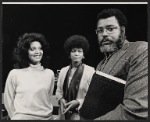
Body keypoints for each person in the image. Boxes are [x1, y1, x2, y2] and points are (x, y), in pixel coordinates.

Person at [85, 8, 148, 120]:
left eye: (110, 29)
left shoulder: (140, 50)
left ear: (122, 30)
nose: (104, 34)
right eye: (100, 30)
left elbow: (136, 110)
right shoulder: (101, 64)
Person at [4, 33, 55, 120]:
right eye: (32, 49)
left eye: (40, 48)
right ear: (25, 52)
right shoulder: (15, 73)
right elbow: (8, 101)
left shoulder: (49, 73)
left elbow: (48, 99)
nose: (38, 52)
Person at [56, 35, 95, 120]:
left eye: (79, 51)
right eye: (73, 51)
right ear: (69, 54)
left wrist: (78, 102)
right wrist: (60, 99)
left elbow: (93, 95)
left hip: (81, 114)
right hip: (64, 113)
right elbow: (58, 91)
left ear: (83, 55)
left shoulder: (90, 71)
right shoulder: (63, 71)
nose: (76, 54)